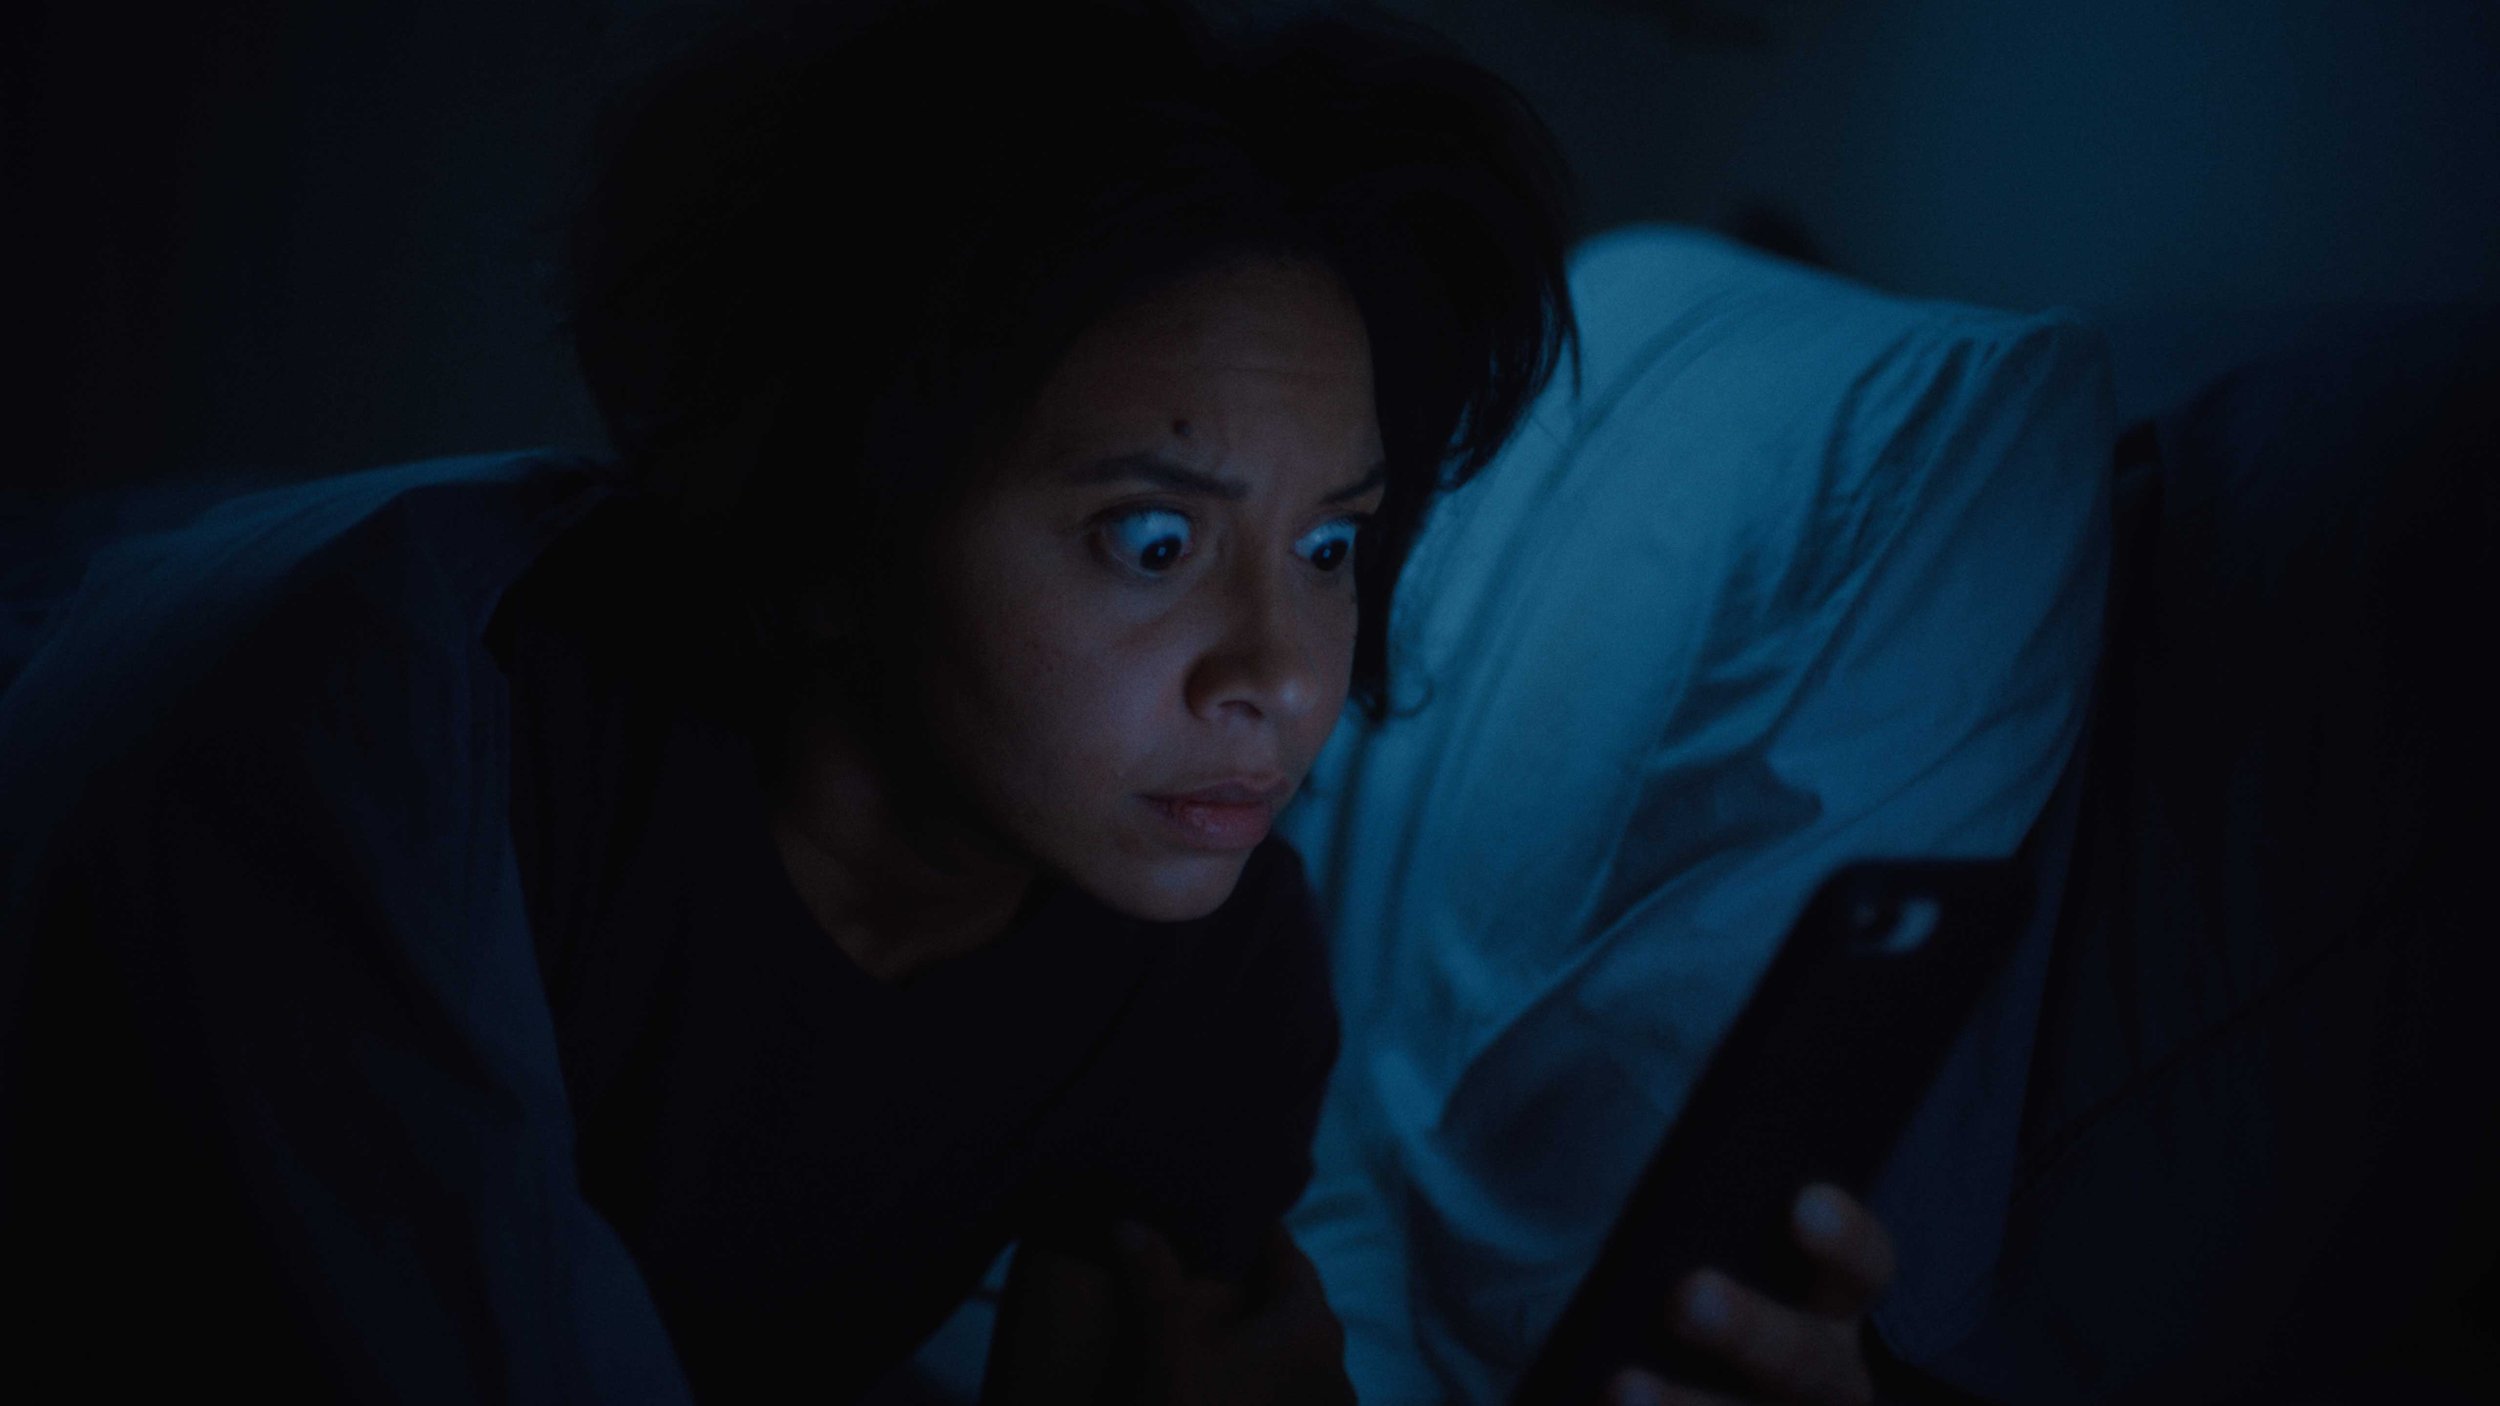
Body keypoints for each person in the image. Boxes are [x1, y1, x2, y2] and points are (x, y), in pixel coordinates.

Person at [0, 1, 1893, 1400]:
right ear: (841, 522)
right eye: (1152, 538)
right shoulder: (422, 753)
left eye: (1331, 543)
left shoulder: (1207, 949)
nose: (1281, 671)